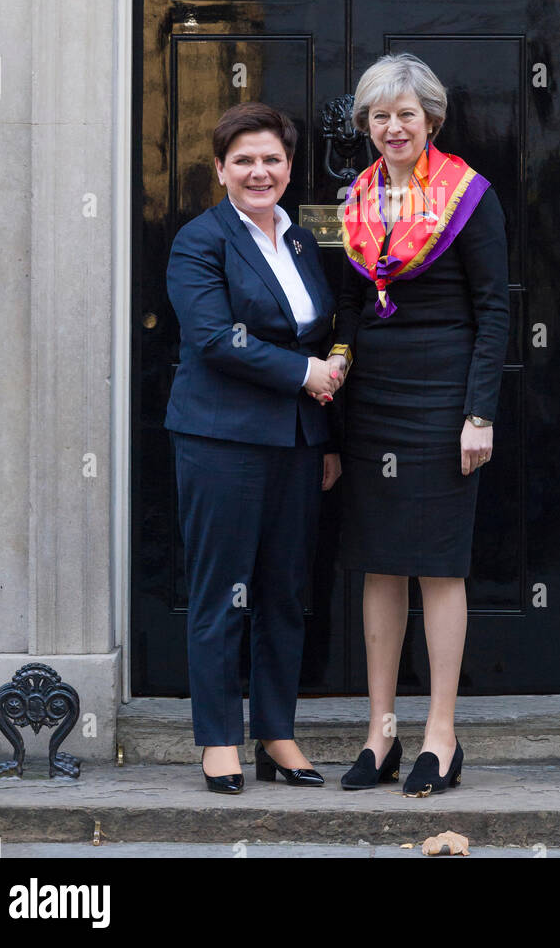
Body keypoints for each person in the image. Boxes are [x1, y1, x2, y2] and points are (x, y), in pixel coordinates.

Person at [329, 53, 510, 796]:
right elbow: (344, 308)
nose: (392, 126)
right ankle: (381, 733)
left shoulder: (469, 195)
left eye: (405, 114)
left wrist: (477, 413)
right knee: (379, 562)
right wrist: (336, 369)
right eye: (379, 115)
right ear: (367, 126)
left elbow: (495, 307)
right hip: (372, 398)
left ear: (430, 119)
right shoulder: (355, 199)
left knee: (438, 563)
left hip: (442, 397)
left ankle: (441, 733)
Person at [165, 101, 342, 793]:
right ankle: (217, 739)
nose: (258, 171)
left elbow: (315, 332)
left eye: (271, 159)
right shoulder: (199, 240)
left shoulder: (298, 242)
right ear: (220, 169)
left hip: (297, 441)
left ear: (289, 167)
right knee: (221, 593)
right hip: (221, 440)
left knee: (283, 594)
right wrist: (306, 373)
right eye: (243, 160)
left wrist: (325, 432)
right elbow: (214, 338)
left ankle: (276, 733)